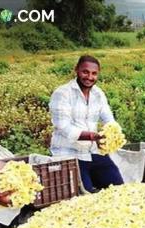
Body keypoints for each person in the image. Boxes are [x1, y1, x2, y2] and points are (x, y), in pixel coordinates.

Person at [49, 55, 123, 193]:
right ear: (76, 70)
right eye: (85, 72)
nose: (89, 77)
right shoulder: (63, 93)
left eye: (94, 73)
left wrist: (112, 135)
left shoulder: (98, 93)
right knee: (84, 194)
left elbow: (109, 119)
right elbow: (64, 127)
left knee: (118, 188)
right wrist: (93, 137)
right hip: (68, 154)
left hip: (92, 152)